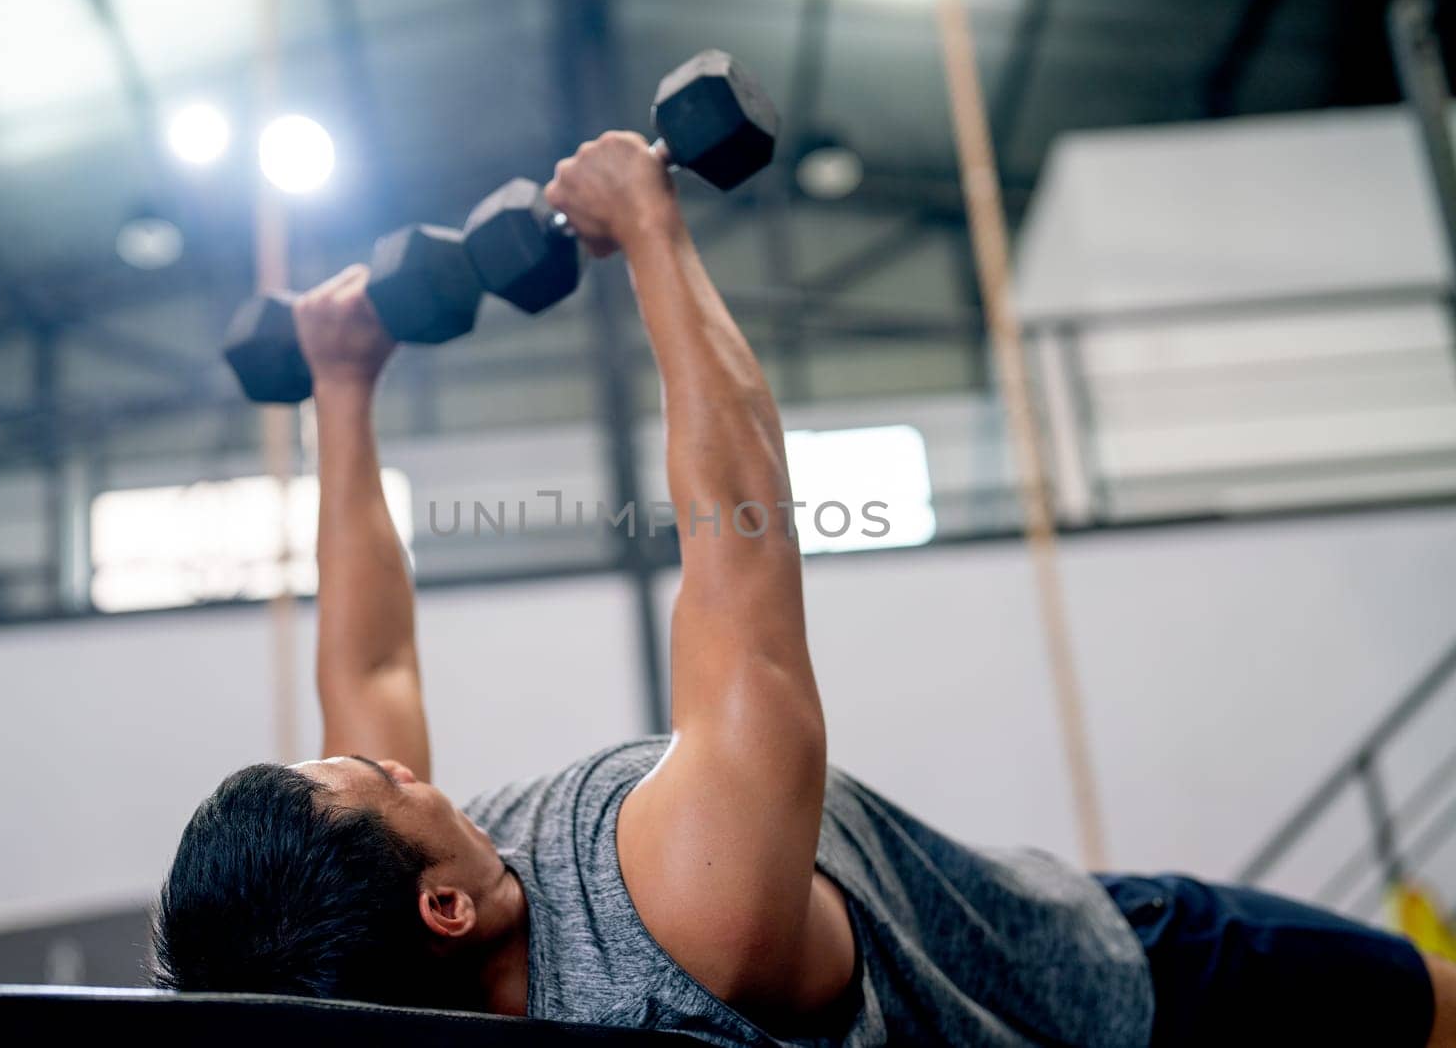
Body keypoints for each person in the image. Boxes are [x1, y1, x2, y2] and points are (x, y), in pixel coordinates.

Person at [152, 132, 1454, 1047]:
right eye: (379, 782)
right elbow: (742, 559)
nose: (397, 766)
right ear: (442, 905)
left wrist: (344, 386)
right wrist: (653, 233)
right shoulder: (682, 908)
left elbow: (371, 669)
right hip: (1129, 991)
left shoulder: (397, 961)